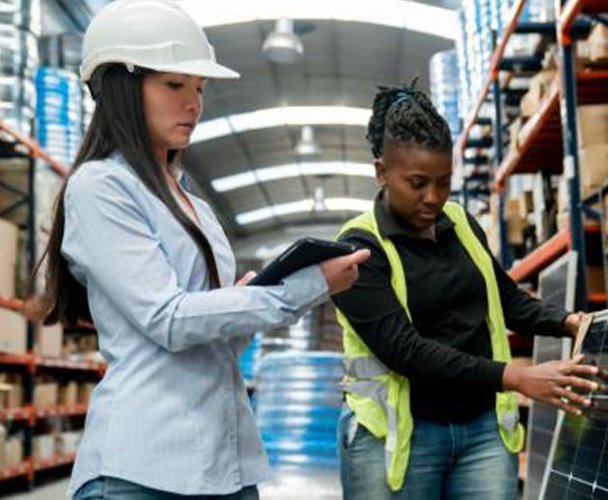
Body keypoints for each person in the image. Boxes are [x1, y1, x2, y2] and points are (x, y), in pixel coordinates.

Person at [34, 1, 370, 498]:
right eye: (175, 85)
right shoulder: (100, 187)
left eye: (199, 88)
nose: (194, 104)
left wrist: (246, 298)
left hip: (225, 463)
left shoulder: (195, 205)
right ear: (120, 87)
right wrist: (305, 287)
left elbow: (214, 340)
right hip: (143, 469)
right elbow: (169, 320)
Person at [332, 80, 600, 500]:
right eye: (418, 183)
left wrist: (567, 322)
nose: (433, 198)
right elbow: (407, 351)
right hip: (401, 435)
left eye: (444, 182)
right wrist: (516, 377)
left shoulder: (459, 222)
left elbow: (505, 299)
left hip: (481, 432)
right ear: (381, 172)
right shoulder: (358, 250)